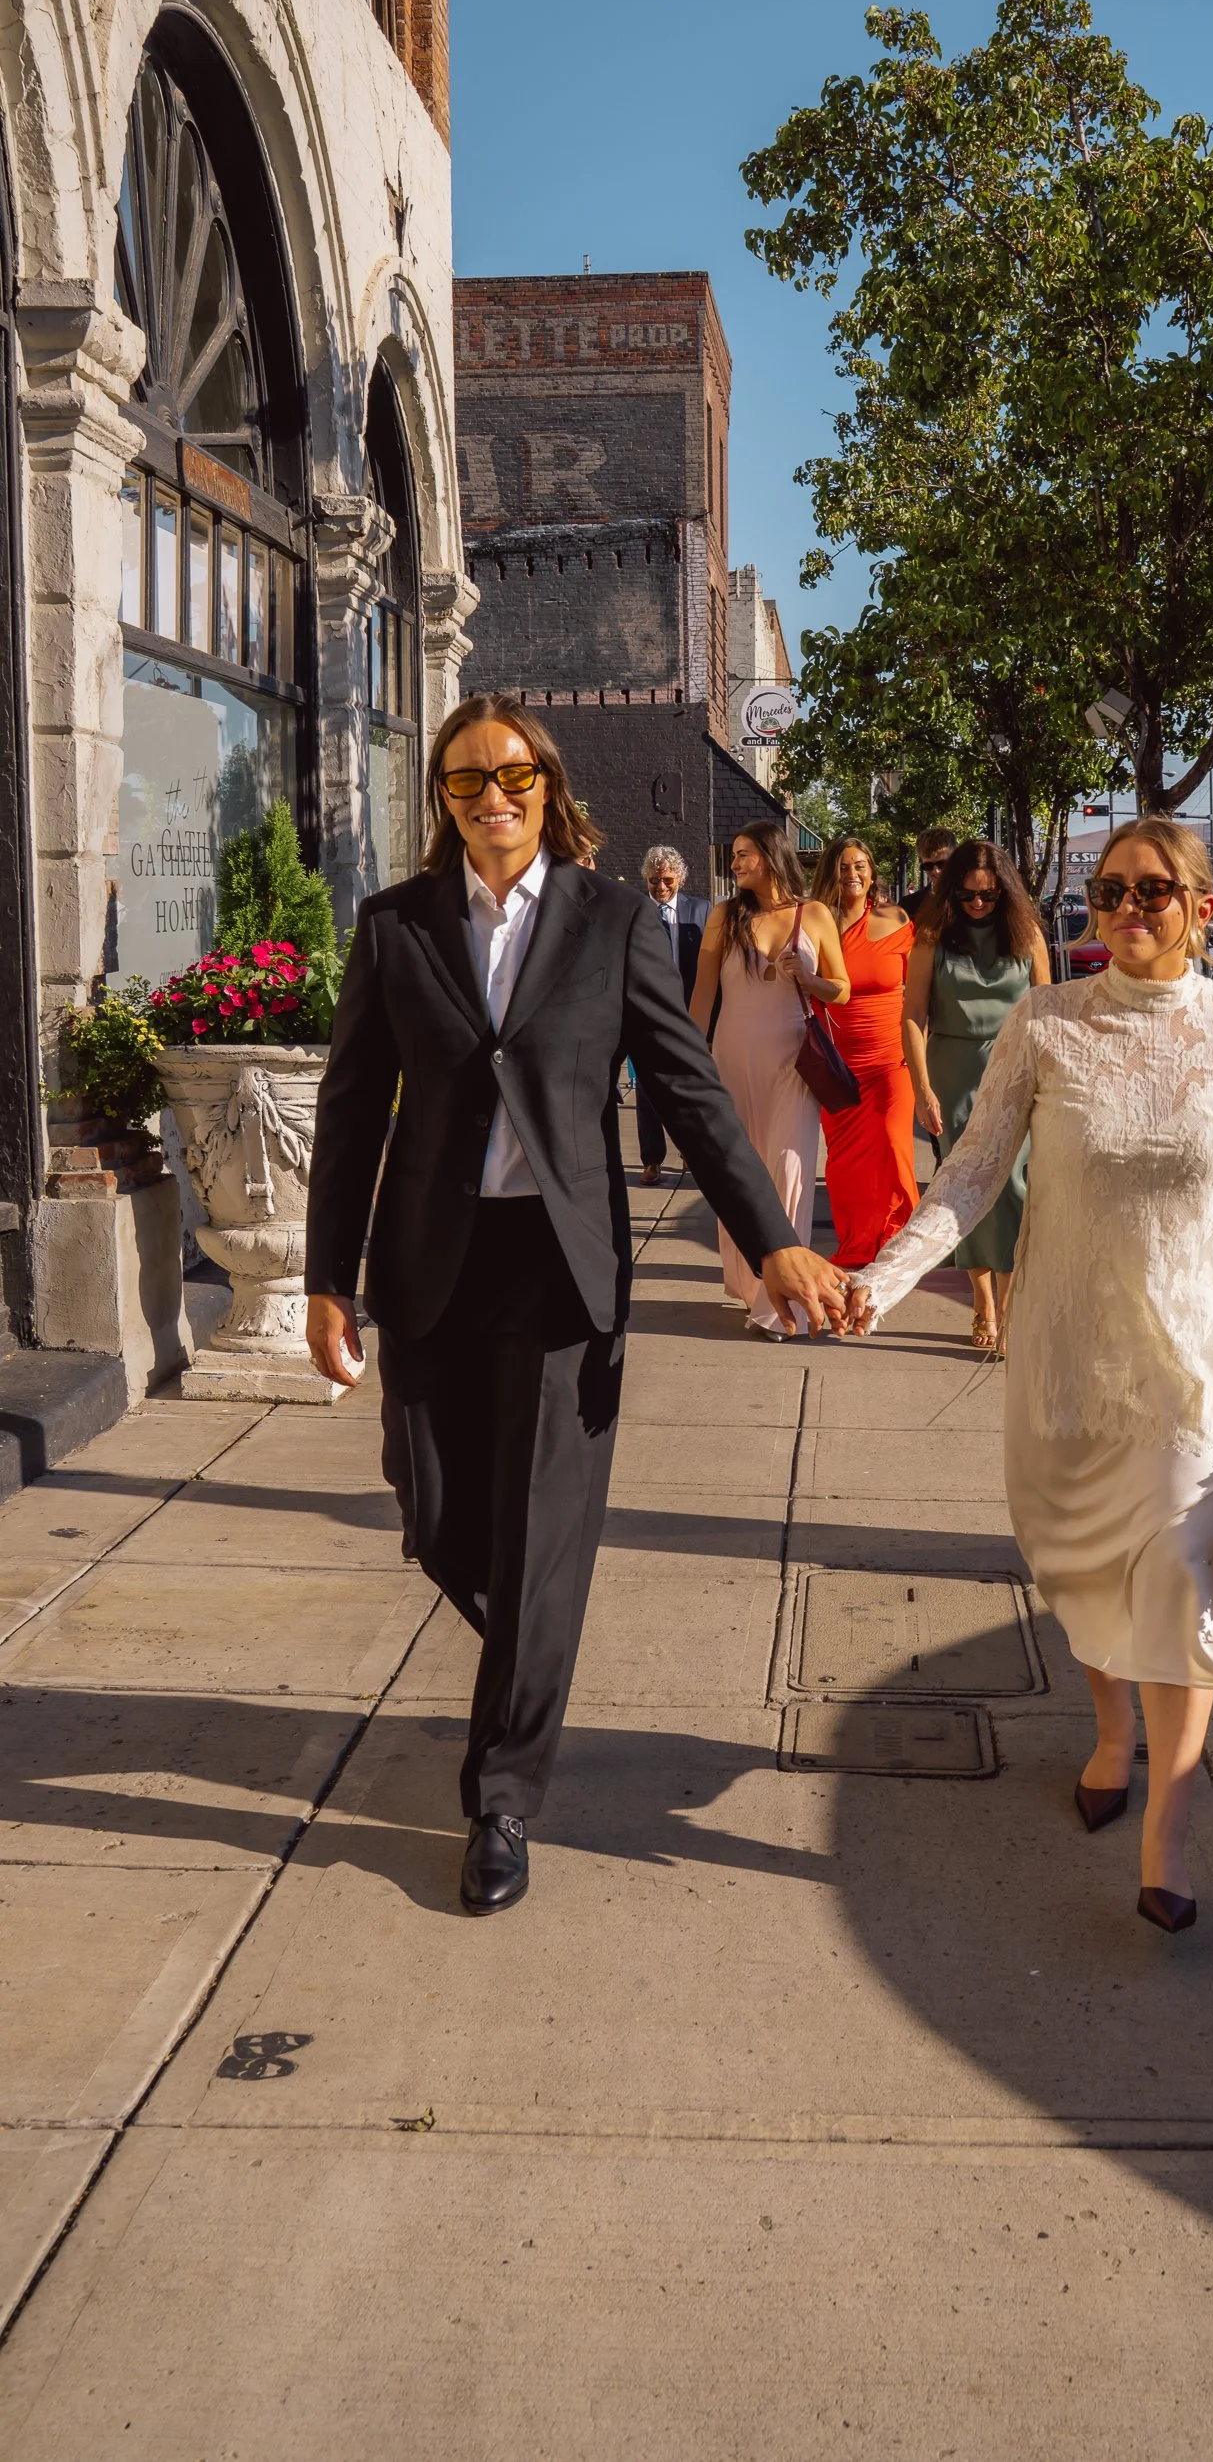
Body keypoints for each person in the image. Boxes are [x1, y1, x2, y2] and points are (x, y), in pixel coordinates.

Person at [304, 699, 848, 1916]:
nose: (488, 796)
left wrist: (771, 1242)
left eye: (509, 774)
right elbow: (348, 1113)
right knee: (441, 1519)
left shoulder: (611, 923)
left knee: (544, 1531)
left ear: (546, 784)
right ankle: (531, 1643)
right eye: (462, 780)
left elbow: (692, 1091)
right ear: (441, 798)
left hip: (563, 1268)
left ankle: (500, 1796)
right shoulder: (395, 927)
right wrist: (325, 1275)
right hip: (433, 1265)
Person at [848, 820, 1213, 1934]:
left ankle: (1167, 1831)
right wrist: (878, 1283)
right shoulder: (1046, 1023)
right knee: (1077, 1565)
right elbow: (970, 1174)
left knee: (1172, 1581)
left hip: (1191, 1370)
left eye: (1150, 892)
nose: (1122, 909)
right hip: (1067, 1354)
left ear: (1200, 910)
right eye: (1106, 891)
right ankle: (1110, 1731)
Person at [687, 819, 848, 1338]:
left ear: (772, 856)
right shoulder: (723, 916)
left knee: (790, 1170)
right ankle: (753, 1282)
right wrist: (690, 1061)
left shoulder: (815, 915)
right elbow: (703, 997)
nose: (735, 864)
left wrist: (808, 977)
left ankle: (781, 1305)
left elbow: (841, 990)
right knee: (740, 1170)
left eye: (744, 855)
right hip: (731, 1059)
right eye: (732, 855)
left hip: (793, 1063)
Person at [902, 839, 1050, 1350]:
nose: (979, 905)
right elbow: (913, 1015)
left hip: (1015, 1070)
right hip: (953, 1072)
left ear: (1004, 892)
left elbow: (1045, 1012)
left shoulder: (1026, 931)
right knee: (967, 1189)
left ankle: (1007, 1308)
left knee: (1012, 1186)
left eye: (988, 896)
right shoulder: (932, 934)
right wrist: (921, 1087)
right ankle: (983, 1304)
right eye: (967, 896)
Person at [809, 836, 918, 1268]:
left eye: (860, 866)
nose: (852, 875)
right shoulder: (818, 923)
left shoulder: (896, 919)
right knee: (845, 1164)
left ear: (873, 871)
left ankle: (900, 1240)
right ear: (830, 873)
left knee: (894, 1145)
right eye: (843, 867)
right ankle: (858, 1243)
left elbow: (918, 993)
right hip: (837, 1062)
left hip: (892, 1056)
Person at [633, 845, 710, 1183]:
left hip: (691, 1011)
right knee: (648, 1090)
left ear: (679, 877)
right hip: (648, 1013)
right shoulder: (635, 911)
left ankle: (692, 1152)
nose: (660, 887)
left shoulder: (702, 909)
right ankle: (651, 1159)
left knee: (691, 1085)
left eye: (666, 880)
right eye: (653, 881)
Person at [900, 826, 957, 923]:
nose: (936, 871)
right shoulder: (908, 905)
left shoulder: (972, 899)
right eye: (928, 866)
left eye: (942, 864)